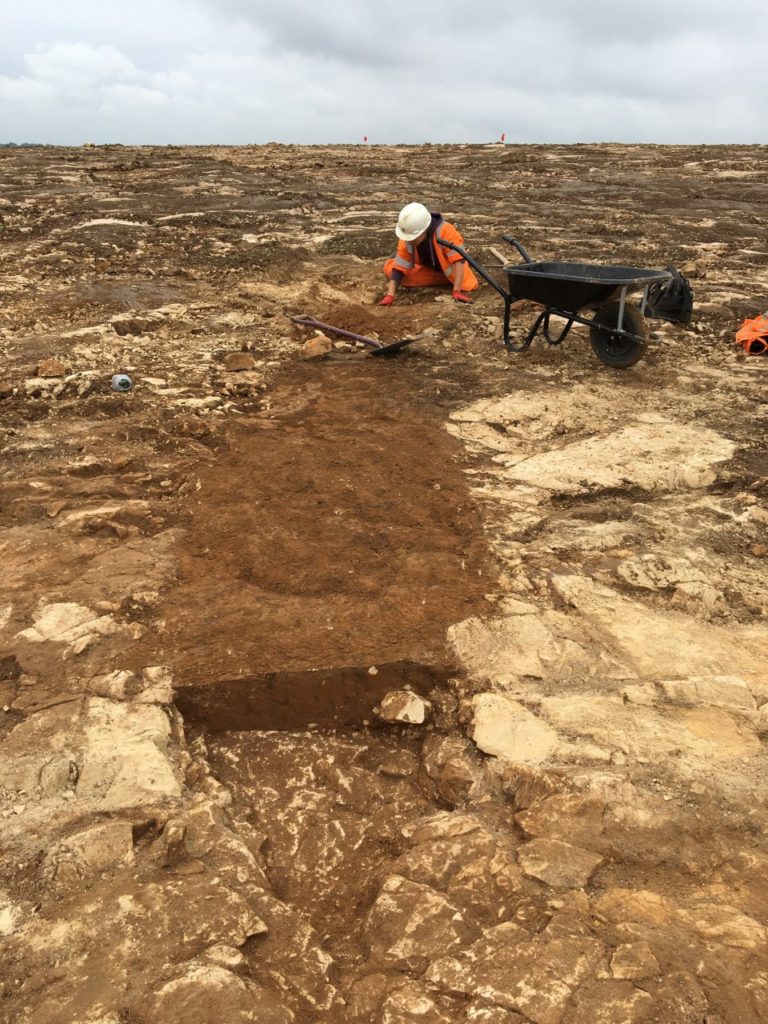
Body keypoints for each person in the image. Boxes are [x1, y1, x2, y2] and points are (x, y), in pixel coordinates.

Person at [379, 203, 478, 306]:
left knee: (468, 284)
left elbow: (458, 260)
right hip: (428, 269)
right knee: (390, 269)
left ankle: (450, 280)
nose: (409, 242)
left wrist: (456, 290)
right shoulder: (408, 239)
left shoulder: (446, 232)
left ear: (424, 230)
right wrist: (390, 295)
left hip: (451, 269)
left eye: (412, 238)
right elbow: (398, 268)